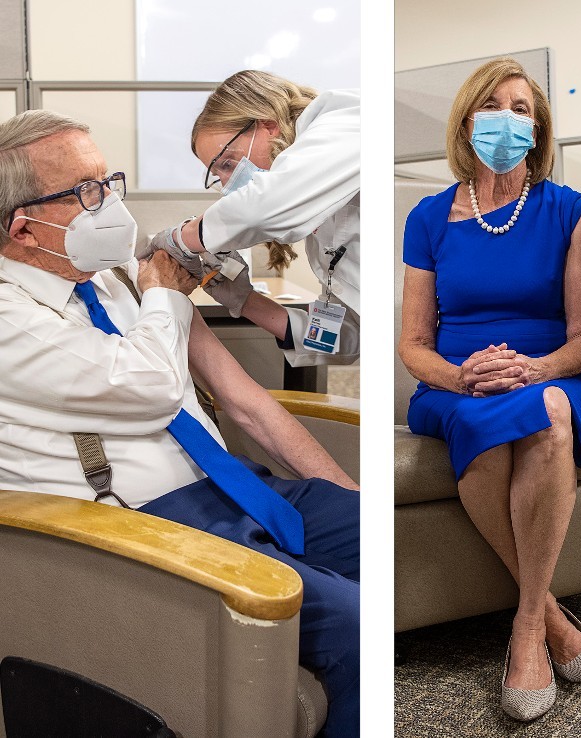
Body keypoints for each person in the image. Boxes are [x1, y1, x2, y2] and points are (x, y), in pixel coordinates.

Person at [0, 110, 359, 738]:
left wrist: (238, 299)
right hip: (136, 522)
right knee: (354, 619)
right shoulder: (12, 316)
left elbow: (243, 397)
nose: (109, 202)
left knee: (375, 536)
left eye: (109, 181)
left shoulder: (113, 279)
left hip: (233, 487)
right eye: (86, 191)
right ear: (25, 228)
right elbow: (151, 384)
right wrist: (165, 293)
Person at [398, 58, 581, 721]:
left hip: (546, 375)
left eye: (522, 108)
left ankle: (524, 630)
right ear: (467, 120)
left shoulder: (569, 211)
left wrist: (533, 369)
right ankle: (548, 615)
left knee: (546, 411)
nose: (508, 118)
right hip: (455, 385)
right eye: (493, 105)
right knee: (490, 424)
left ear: (538, 127)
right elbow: (412, 346)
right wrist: (464, 376)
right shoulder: (428, 217)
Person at [144, 70, 360, 367]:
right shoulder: (320, 234)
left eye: (229, 163)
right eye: (218, 175)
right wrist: (245, 302)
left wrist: (181, 238)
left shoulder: (347, 119)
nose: (229, 184)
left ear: (268, 126)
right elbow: (347, 337)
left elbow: (264, 206)